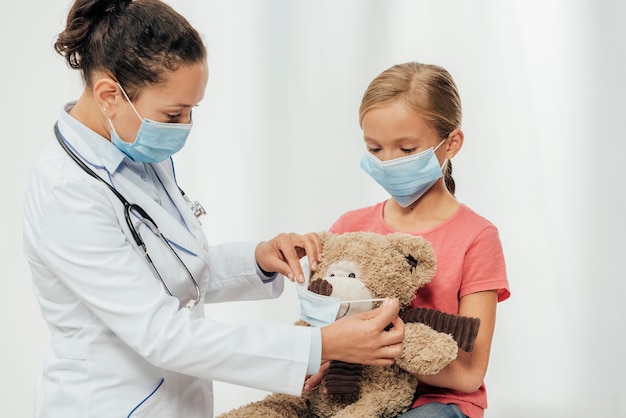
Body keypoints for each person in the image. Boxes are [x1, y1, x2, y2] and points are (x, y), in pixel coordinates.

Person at [21, 1, 406, 416]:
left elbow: (169, 271)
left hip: (176, 399)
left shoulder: (134, 154)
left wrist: (257, 259)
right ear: (110, 95)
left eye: (191, 110)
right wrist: (317, 346)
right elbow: (161, 333)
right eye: (173, 113)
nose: (184, 125)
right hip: (108, 403)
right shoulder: (67, 192)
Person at [328, 62, 511, 418]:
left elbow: (470, 375)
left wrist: (390, 344)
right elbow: (325, 333)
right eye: (375, 149)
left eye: (407, 149)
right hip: (359, 397)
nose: (387, 162)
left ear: (451, 144)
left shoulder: (477, 237)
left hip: (439, 403)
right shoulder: (349, 227)